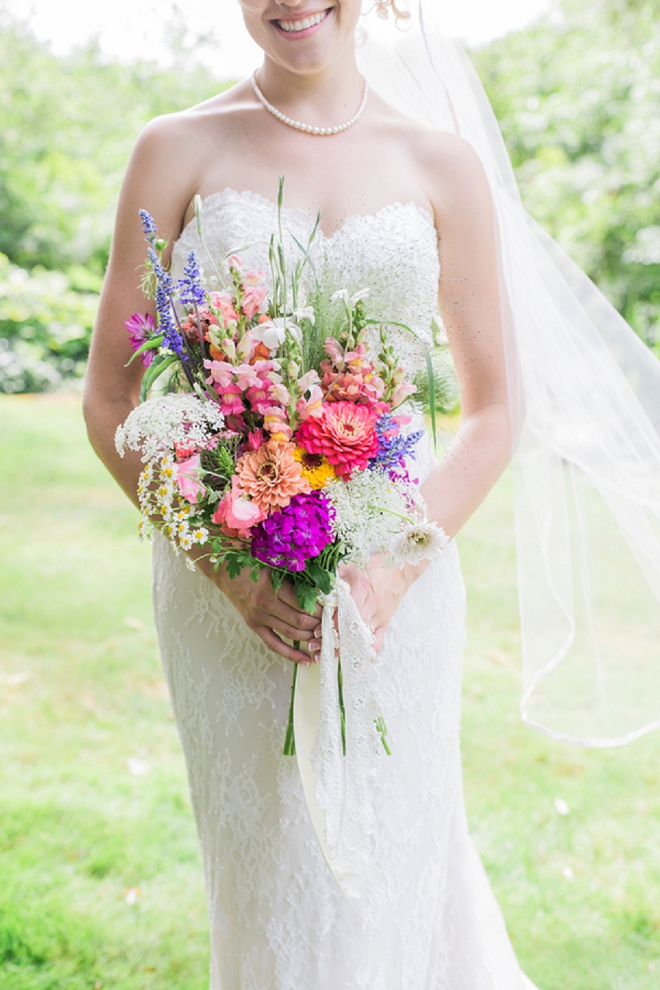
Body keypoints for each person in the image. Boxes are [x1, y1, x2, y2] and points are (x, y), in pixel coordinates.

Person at [83, 0, 660, 986]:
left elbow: (492, 411)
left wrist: (396, 566)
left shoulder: (440, 164)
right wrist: (227, 569)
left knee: (389, 874)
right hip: (229, 585)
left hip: (393, 583)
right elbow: (108, 398)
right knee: (269, 884)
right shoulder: (174, 147)